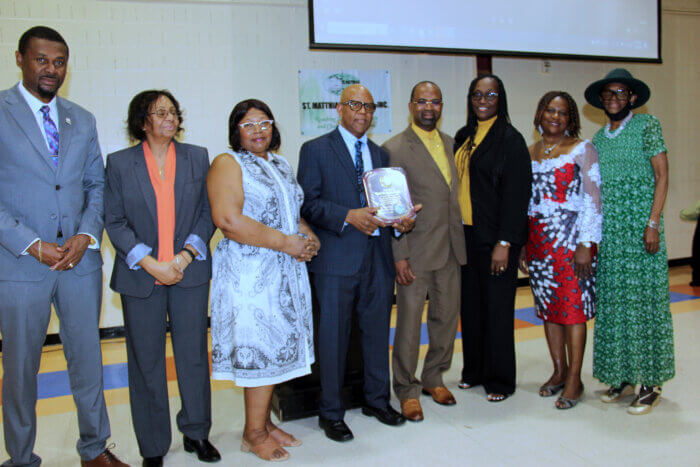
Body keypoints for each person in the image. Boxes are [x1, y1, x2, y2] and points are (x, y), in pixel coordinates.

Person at [0, 26, 127, 466]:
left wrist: (86, 236)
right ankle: (19, 458)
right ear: (20, 59)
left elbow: (96, 185)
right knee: (20, 371)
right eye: (41, 60)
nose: (51, 69)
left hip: (79, 263)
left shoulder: (81, 119)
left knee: (88, 361)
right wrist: (31, 243)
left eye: (59, 62)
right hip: (20, 266)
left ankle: (95, 450)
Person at [104, 90, 219, 466]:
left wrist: (185, 256)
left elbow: (207, 212)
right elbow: (115, 221)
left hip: (189, 272)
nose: (171, 118)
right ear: (143, 122)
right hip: (142, 277)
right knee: (146, 363)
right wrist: (150, 262)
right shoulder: (120, 164)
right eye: (161, 113)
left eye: (173, 112)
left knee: (193, 358)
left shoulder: (196, 157)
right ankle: (153, 446)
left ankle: (197, 432)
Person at [297, 84, 415, 442]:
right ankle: (330, 412)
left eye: (368, 106)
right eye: (354, 105)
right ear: (339, 108)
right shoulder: (315, 149)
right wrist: (348, 216)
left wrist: (402, 221)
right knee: (332, 339)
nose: (362, 111)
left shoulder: (381, 155)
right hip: (335, 261)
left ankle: (377, 400)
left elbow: (388, 207)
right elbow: (308, 204)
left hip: (377, 260)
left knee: (378, 334)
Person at [208, 99, 318, 462]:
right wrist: (288, 243)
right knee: (259, 349)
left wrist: (307, 235)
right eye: (248, 124)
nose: (258, 130)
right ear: (235, 131)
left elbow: (292, 211)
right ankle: (252, 433)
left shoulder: (281, 164)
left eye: (264, 122)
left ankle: (264, 424)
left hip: (285, 273)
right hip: (250, 276)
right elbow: (228, 220)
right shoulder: (229, 163)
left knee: (275, 350)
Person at [585, 68, 675, 415]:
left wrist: (653, 223)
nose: (613, 99)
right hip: (611, 235)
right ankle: (621, 376)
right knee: (615, 304)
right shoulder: (598, 138)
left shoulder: (647, 127)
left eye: (620, 93)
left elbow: (662, 174)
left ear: (632, 98)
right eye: (608, 94)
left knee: (645, 304)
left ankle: (651, 383)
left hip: (641, 233)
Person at [381, 81, 466, 421]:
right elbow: (390, 208)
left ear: (442, 106)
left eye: (435, 102)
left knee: (446, 320)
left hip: (450, 249)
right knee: (408, 327)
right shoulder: (394, 148)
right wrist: (399, 254)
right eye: (422, 102)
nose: (429, 108)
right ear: (411, 105)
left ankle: (434, 377)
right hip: (414, 252)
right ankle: (406, 388)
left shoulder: (451, 144)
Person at [518, 91, 602, 409]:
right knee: (549, 309)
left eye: (562, 112)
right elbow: (525, 203)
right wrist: (524, 244)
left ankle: (574, 379)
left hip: (571, 243)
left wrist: (586, 245)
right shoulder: (529, 152)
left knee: (573, 311)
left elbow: (594, 201)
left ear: (570, 119)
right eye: (550, 110)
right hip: (538, 243)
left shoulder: (583, 149)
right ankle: (558, 370)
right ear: (539, 114)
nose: (555, 116)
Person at [454, 74, 531, 402]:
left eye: (490, 95)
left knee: (497, 310)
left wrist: (505, 243)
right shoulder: (462, 136)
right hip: (465, 238)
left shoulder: (511, 140)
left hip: (497, 241)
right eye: (477, 95)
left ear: (501, 99)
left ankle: (500, 380)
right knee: (470, 308)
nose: (483, 100)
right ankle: (473, 370)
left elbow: (517, 197)